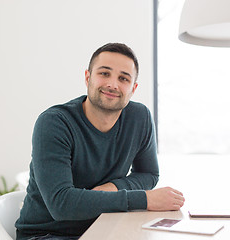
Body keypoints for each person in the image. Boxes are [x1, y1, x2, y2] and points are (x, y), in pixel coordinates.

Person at [15, 43, 185, 240]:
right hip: (47, 234)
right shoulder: (54, 123)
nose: (113, 84)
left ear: (133, 88)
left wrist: (114, 187)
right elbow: (61, 204)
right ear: (88, 77)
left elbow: (148, 174)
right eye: (104, 74)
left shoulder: (140, 118)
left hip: (105, 225)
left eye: (123, 78)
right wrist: (144, 199)